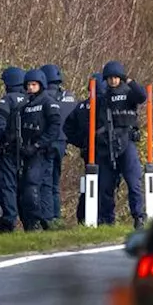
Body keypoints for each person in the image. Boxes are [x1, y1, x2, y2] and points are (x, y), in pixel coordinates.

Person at [93, 61, 148, 229]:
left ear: (121, 78)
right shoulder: (103, 98)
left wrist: (130, 81)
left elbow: (142, 96)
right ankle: (107, 221)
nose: (113, 81)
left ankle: (138, 216)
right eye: (109, 78)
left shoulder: (128, 93)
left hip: (127, 142)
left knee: (133, 182)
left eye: (116, 78)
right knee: (106, 186)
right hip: (107, 145)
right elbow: (96, 122)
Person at [18, 68, 62, 231]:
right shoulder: (25, 104)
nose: (30, 87)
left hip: (42, 151)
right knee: (29, 187)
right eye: (28, 85)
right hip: (27, 150)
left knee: (33, 184)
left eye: (34, 84)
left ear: (41, 85)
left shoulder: (48, 102)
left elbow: (54, 128)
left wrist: (37, 145)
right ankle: (39, 222)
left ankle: (38, 221)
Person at [64, 72, 104, 224]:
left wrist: (81, 142)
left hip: (88, 151)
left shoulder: (80, 106)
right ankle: (99, 218)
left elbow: (67, 129)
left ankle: (83, 216)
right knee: (103, 185)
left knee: (89, 185)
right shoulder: (105, 106)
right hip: (103, 152)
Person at [0, 67, 28, 232]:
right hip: (28, 152)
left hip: (8, 151)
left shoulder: (7, 101)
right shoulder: (31, 99)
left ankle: (9, 221)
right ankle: (29, 222)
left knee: (7, 186)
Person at [40, 64, 78, 223]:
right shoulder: (69, 97)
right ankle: (56, 216)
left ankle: (48, 217)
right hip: (63, 143)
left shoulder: (43, 97)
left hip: (47, 142)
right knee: (55, 181)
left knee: (46, 182)